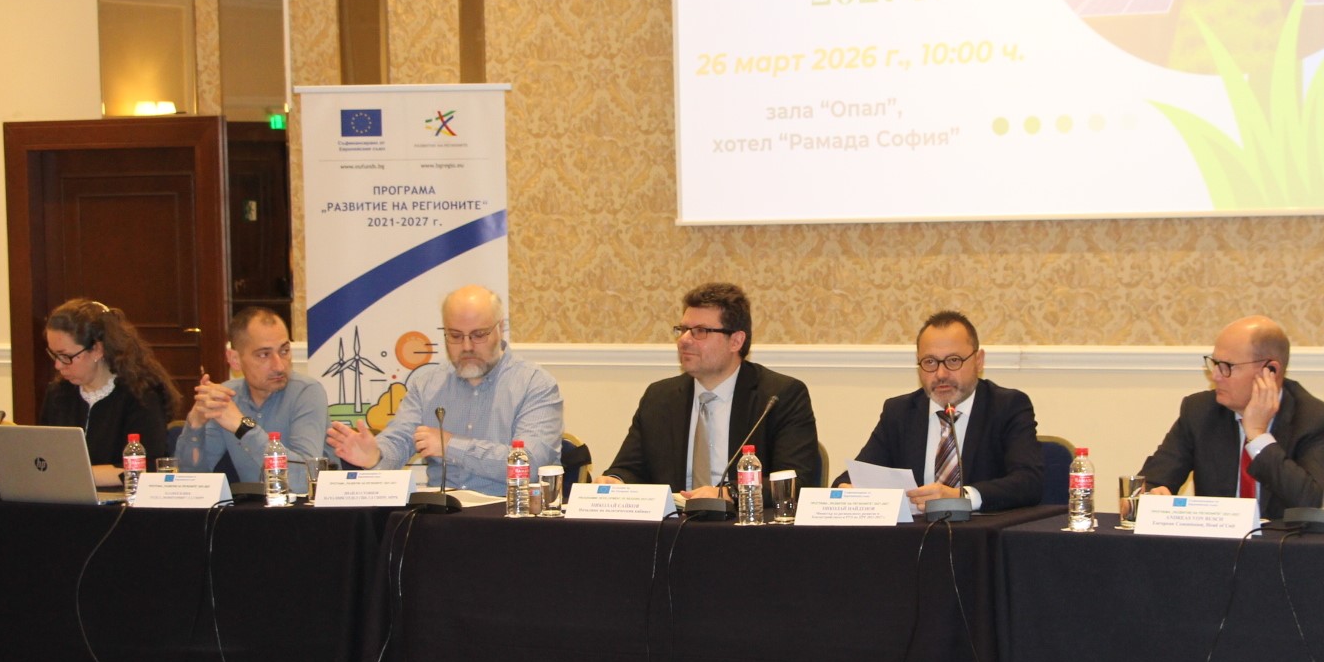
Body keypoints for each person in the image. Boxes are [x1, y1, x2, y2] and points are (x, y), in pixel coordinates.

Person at [326, 286, 562, 496]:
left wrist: (451, 446)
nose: (467, 346)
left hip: (509, 514)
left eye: (478, 335)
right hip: (441, 515)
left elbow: (530, 465)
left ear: (500, 328)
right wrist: (375, 456)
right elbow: (399, 440)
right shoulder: (427, 385)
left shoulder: (535, 384)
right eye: (455, 336)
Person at [601, 282, 820, 496]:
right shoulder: (659, 397)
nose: (684, 340)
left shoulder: (779, 396)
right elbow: (629, 468)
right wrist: (615, 480)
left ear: (736, 341)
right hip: (673, 518)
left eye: (700, 331)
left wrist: (728, 493)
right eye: (683, 330)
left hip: (741, 518)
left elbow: (794, 481)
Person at [1139, 315, 1324, 517]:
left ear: (1270, 370)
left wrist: (1258, 437)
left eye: (1226, 366)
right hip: (1216, 538)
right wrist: (1148, 497)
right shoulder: (1200, 411)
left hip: (1283, 540)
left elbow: (1315, 506)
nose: (1215, 375)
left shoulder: (1316, 420)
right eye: (1214, 363)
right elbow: (1151, 483)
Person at [843, 310, 1043, 512]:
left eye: (953, 360)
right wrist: (851, 492)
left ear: (978, 360)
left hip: (982, 530)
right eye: (930, 362)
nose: (941, 374)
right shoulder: (900, 413)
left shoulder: (1007, 406)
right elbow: (852, 478)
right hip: (916, 531)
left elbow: (1029, 482)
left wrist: (961, 497)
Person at [178, 308, 329, 490]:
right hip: (250, 507)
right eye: (264, 355)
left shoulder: (307, 393)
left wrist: (243, 427)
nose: (279, 366)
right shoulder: (226, 398)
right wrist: (195, 424)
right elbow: (191, 484)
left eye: (284, 351)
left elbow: (306, 481)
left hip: (306, 507)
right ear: (235, 359)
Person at [41, 298, 181, 488]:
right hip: (65, 495)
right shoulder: (58, 394)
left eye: (65, 356)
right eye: (53, 355)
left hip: (121, 501)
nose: (58, 365)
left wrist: (75, 474)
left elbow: (146, 468)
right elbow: (45, 457)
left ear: (97, 350)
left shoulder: (140, 395)